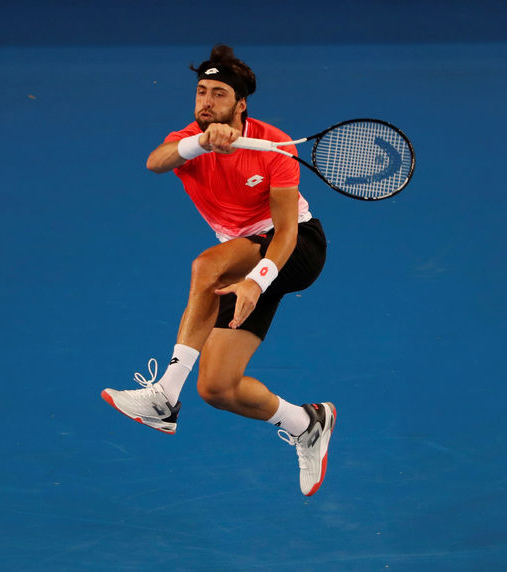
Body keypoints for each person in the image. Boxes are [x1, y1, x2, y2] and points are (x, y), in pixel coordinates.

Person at [101, 45, 336, 496]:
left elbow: (285, 234)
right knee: (217, 387)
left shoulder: (274, 147)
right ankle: (308, 422)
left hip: (298, 250)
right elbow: (155, 162)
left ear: (240, 104)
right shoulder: (187, 139)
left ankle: (165, 397)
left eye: (219, 94)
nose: (206, 102)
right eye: (201, 92)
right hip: (243, 257)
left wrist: (256, 280)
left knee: (206, 265)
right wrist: (197, 143)